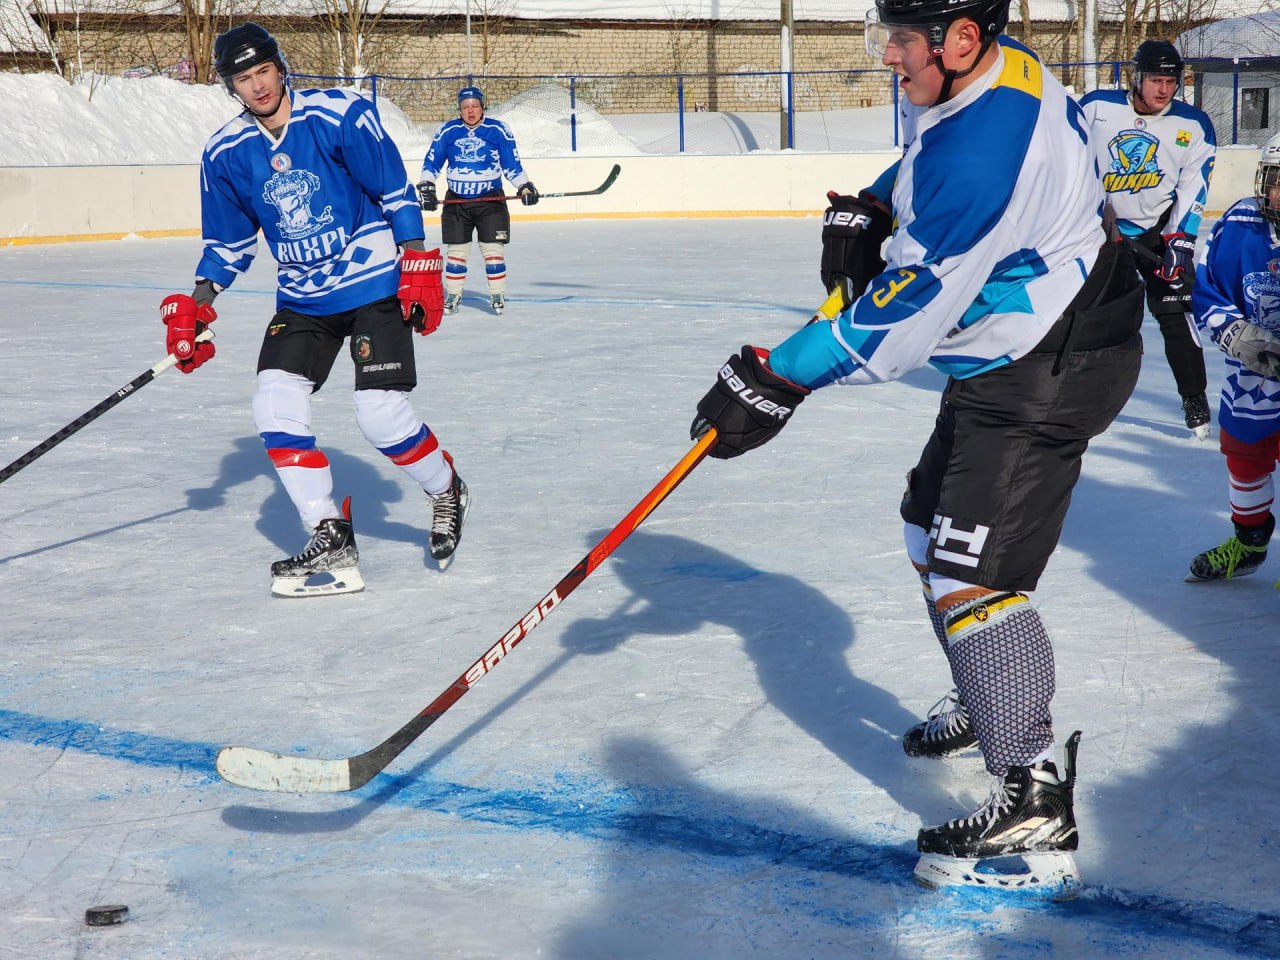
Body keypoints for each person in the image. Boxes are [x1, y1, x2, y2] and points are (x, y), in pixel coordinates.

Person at [690, 0, 1144, 893]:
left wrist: (775, 379)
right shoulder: (996, 74)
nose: (889, 57)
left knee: (972, 576)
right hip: (1012, 347)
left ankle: (1034, 804)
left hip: (1051, 364)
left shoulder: (978, 165)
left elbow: (895, 332)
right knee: (924, 529)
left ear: (961, 38)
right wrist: (876, 200)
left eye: (902, 39)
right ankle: (988, 693)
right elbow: (926, 158)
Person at [159, 22, 469, 598]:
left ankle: (446, 489)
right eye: (243, 79)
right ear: (230, 86)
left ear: (281, 69)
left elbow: (393, 188)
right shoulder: (226, 152)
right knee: (273, 404)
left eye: (263, 72)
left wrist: (418, 260)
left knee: (379, 415)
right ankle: (329, 533)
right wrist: (197, 307)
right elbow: (228, 243)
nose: (257, 86)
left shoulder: (337, 114)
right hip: (302, 298)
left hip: (372, 280)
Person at [1079, 40, 1218, 439]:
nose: (1164, 89)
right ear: (1137, 78)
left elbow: (1194, 187)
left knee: (1176, 311)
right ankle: (1075, 393)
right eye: (1156, 80)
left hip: (1157, 229)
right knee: (1086, 312)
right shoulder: (1096, 108)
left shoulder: (1193, 125)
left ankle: (1194, 398)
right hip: (1099, 229)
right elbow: (1067, 157)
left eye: (1171, 81)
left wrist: (1181, 240)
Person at [1186, 133, 1280, 582]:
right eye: (1279, 180)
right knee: (1244, 457)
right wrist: (1238, 334)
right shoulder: (1241, 222)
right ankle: (1249, 544)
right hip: (1253, 379)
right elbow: (1207, 289)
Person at [415, 86, 539, 317]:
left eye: (474, 106)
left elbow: (511, 165)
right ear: (459, 110)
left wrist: (524, 186)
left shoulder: (498, 130)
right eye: (465, 107)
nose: (470, 111)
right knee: (456, 252)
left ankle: (497, 293)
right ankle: (453, 294)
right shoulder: (448, 131)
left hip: (490, 200)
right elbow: (432, 163)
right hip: (457, 202)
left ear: (483, 107)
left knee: (493, 250)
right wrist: (427, 185)